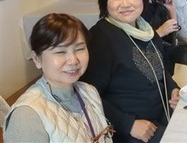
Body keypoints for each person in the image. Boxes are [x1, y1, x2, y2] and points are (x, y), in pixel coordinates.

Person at [80, 0, 180, 142]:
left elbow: (159, 69)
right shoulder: (101, 37)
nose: (125, 4)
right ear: (105, 3)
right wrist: (129, 124)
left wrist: (173, 89)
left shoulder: (145, 29)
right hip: (131, 132)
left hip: (162, 115)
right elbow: (88, 94)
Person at [4, 13, 113, 143]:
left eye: (79, 49)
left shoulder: (89, 92)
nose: (73, 60)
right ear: (37, 59)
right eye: (60, 52)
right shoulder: (26, 116)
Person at [133, 0, 180, 74]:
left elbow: (173, 34)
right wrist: (160, 32)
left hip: (165, 61)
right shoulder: (135, 8)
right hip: (149, 69)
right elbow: (135, 47)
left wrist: (172, 11)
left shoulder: (157, 2)